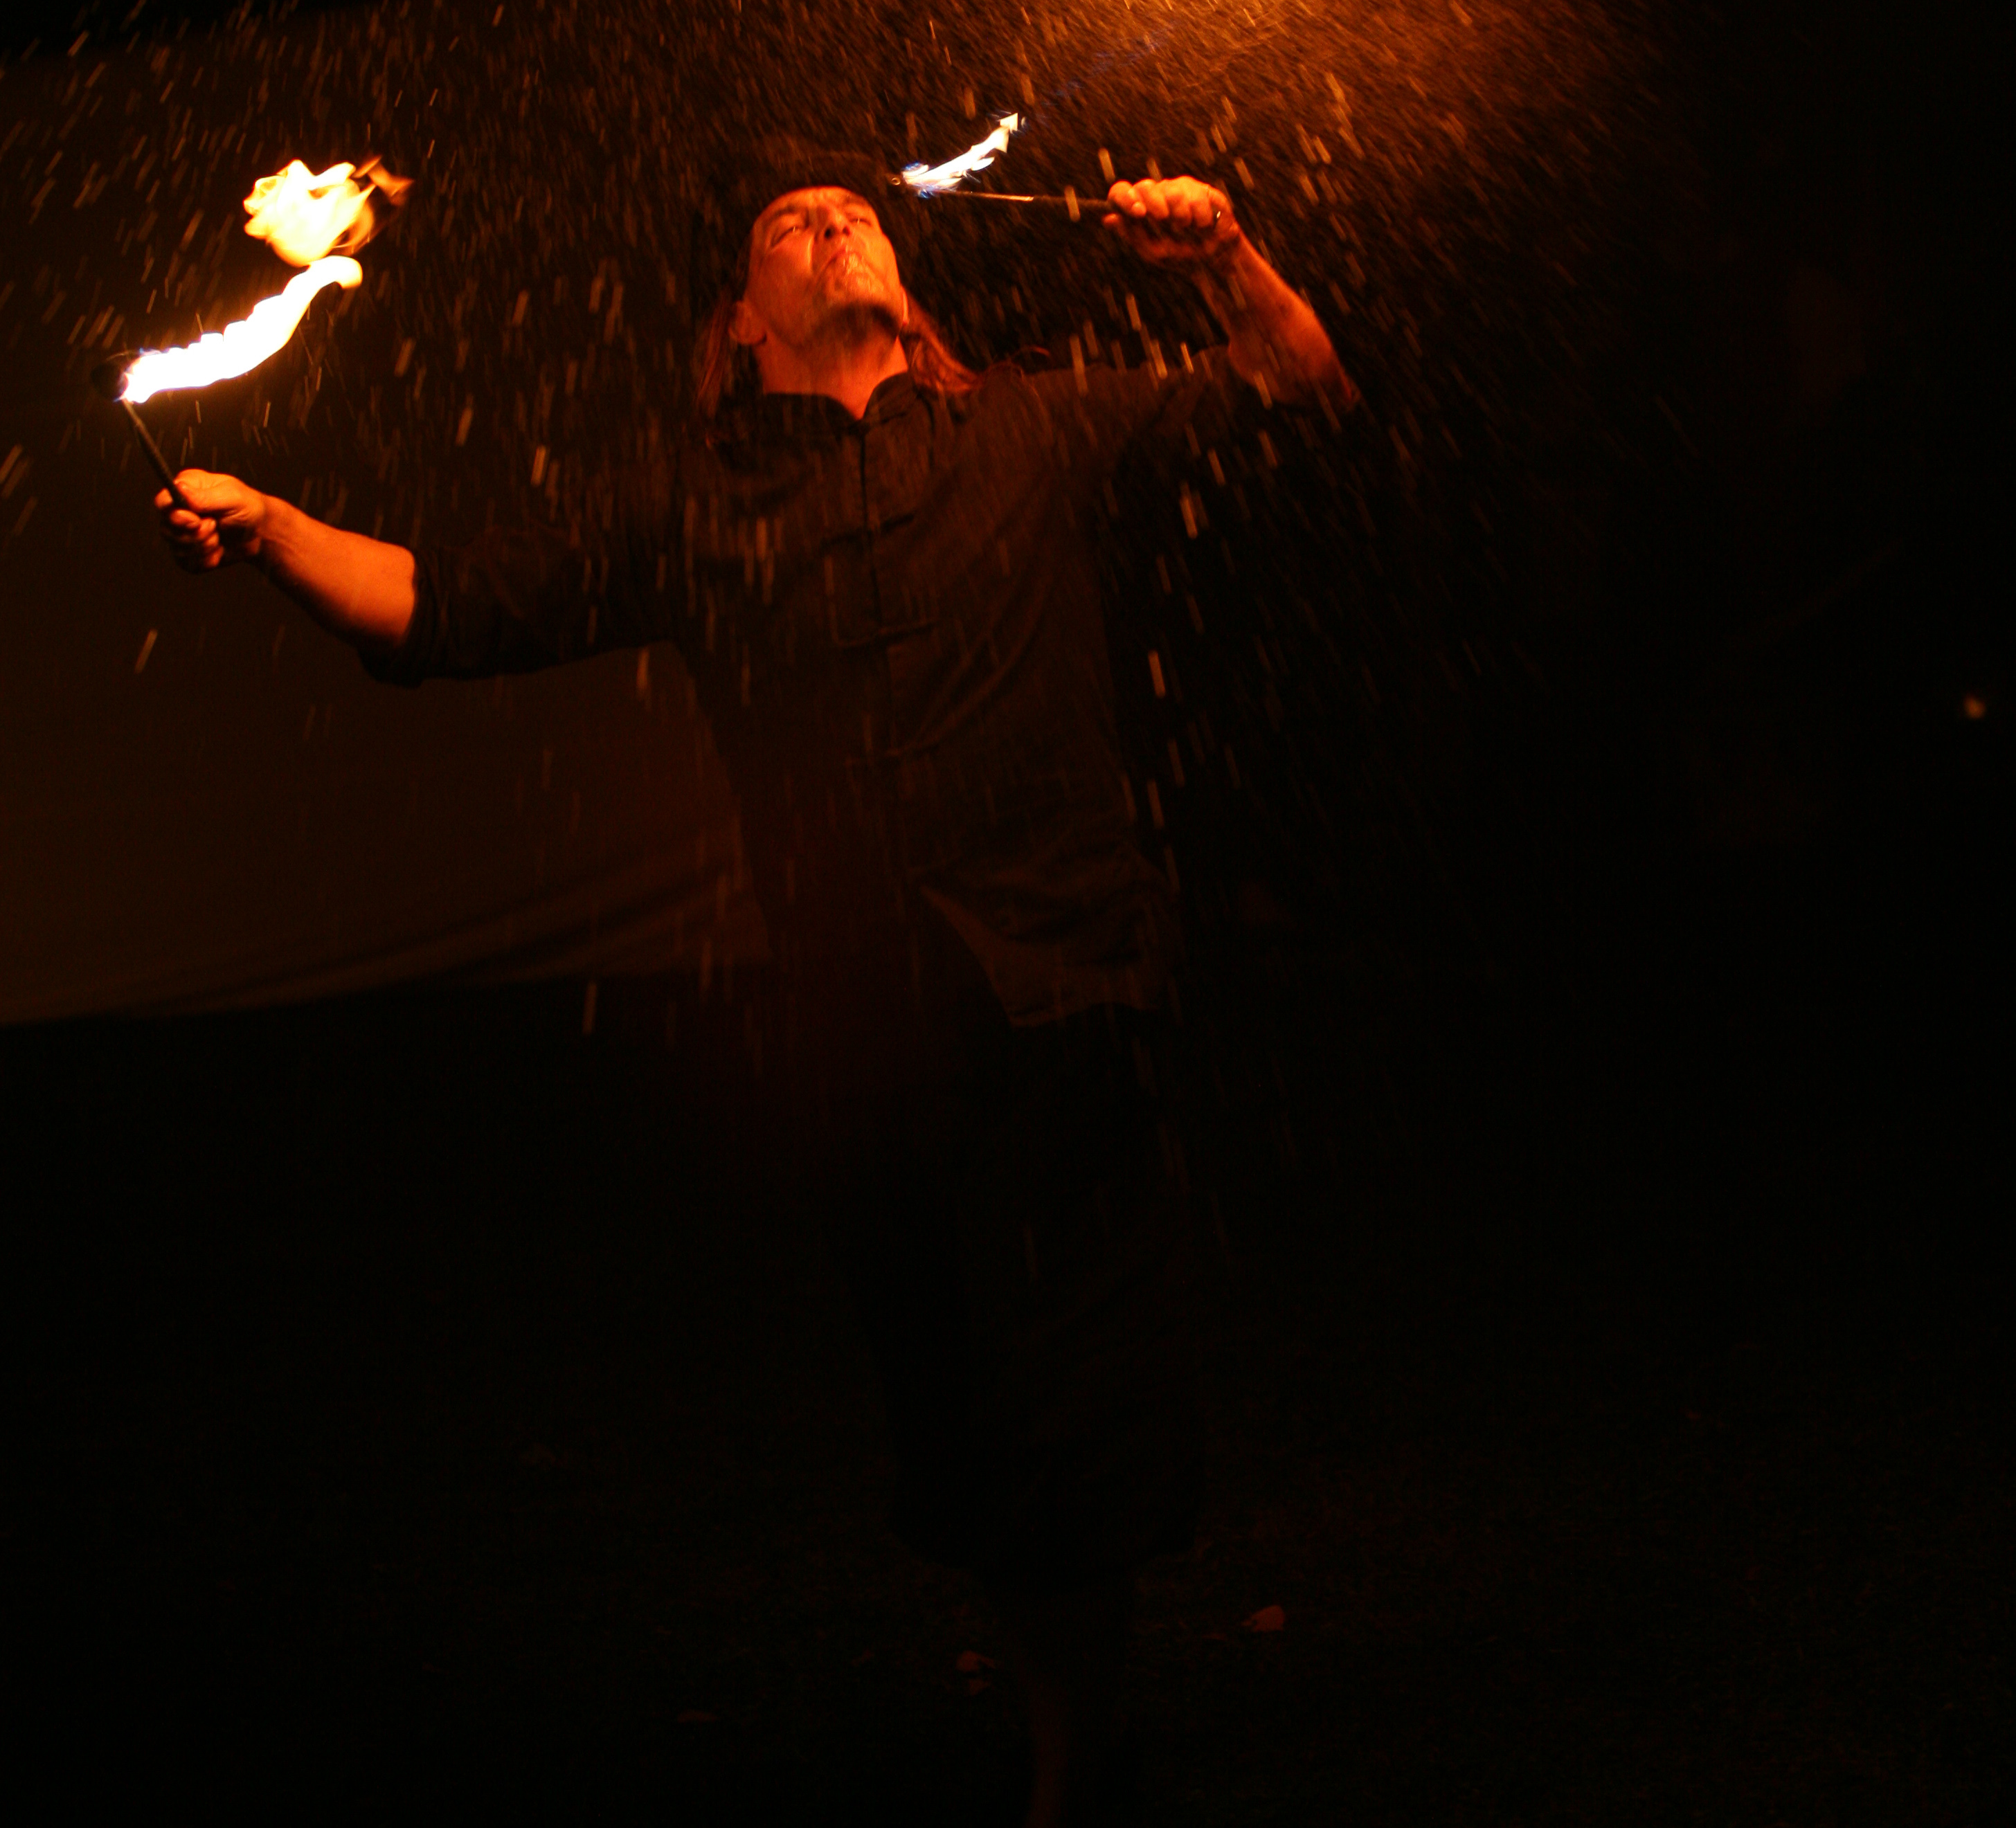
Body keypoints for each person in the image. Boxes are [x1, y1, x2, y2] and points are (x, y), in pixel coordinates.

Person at [159, 142, 1352, 1825]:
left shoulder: (1028, 426)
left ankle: (1074, 1761)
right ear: (740, 326)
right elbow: (443, 608)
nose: (829, 218)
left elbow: (1296, 388)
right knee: (964, 1413)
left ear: (911, 294)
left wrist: (1223, 254)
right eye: (786, 225)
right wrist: (279, 527)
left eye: (850, 212)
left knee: (1070, 1397)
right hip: (865, 1029)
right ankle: (1072, 1722)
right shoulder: (691, 497)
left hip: (1066, 985)